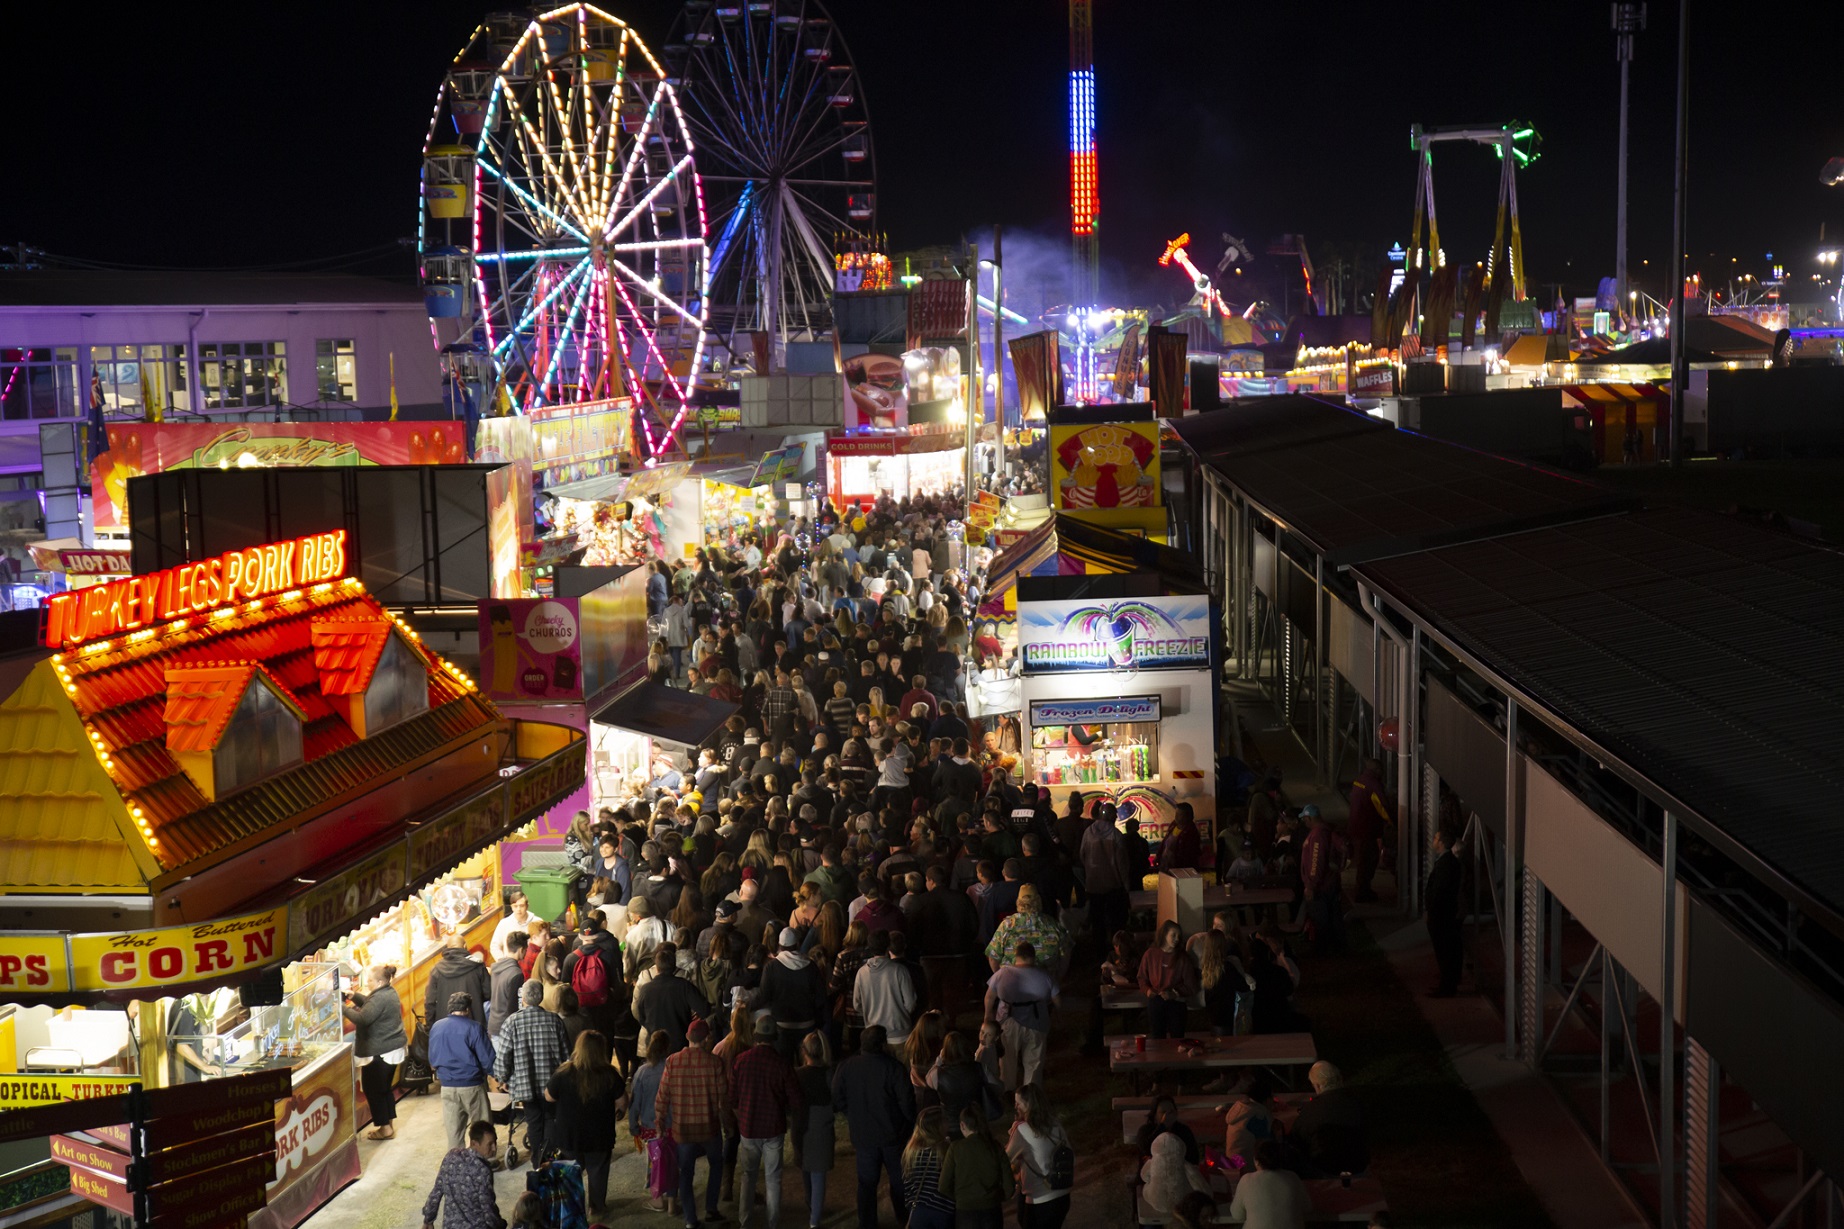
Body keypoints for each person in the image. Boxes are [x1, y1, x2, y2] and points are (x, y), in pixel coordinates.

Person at [833, 1024, 916, 1229]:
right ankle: (903, 1218)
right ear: (882, 1044)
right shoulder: (894, 1068)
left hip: (864, 1136)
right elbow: (907, 1102)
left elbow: (837, 1096)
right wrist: (909, 1125)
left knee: (867, 1184)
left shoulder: (847, 1067)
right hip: (892, 1136)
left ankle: (867, 1223)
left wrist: (851, 1113)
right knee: (899, 1181)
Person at [656, 1017, 732, 1229]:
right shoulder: (714, 1063)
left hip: (683, 1130)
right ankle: (711, 1209)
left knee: (686, 1172)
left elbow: (662, 1097)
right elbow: (723, 1099)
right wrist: (729, 1124)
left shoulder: (672, 1061)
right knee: (716, 1164)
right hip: (709, 1127)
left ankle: (690, 1219)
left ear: (687, 1037)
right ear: (707, 1039)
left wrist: (660, 1123)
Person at [733, 1015, 803, 1229]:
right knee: (773, 1179)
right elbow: (796, 1099)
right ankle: (773, 1223)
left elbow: (732, 1097)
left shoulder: (741, 1060)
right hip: (773, 1128)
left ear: (756, 1036)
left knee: (748, 1176)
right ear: (774, 1037)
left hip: (748, 1127)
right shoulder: (781, 1063)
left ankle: (745, 1221)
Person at [544, 1030, 623, 1217]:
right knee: (598, 1172)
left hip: (569, 1134)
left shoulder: (564, 1072)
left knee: (571, 1172)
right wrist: (617, 1113)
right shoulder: (610, 1074)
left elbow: (548, 1096)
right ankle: (596, 1207)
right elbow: (622, 1101)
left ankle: (573, 1208)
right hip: (600, 1135)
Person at [493, 979, 570, 1166]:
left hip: (525, 1085)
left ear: (524, 998)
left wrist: (501, 1078)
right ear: (541, 997)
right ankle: (549, 1158)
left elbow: (503, 1056)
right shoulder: (555, 1021)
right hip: (552, 1085)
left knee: (533, 1121)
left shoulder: (512, 1022)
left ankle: (537, 1160)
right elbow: (566, 1056)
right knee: (550, 1119)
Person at [982, 941, 1058, 1093]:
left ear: (1016, 956)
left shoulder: (1002, 974)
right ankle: (1030, 1095)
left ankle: (1007, 1091)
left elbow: (989, 997)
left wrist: (987, 1016)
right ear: (1033, 957)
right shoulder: (1044, 975)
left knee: (1007, 1059)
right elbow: (1057, 1000)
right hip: (1036, 1021)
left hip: (1008, 1022)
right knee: (1034, 1062)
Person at [428, 992, 499, 1151]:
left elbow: (432, 1058)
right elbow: (487, 1059)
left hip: (447, 1087)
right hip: (471, 1085)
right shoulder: (474, 1028)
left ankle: (457, 1161)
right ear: (467, 1009)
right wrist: (499, 1076)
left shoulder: (436, 1027)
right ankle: (484, 1159)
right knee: (482, 1129)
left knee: (454, 1132)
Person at [344, 964, 407, 1141]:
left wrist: (342, 1007)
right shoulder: (388, 992)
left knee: (373, 1090)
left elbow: (363, 1018)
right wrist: (354, 997)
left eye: (370, 980)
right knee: (384, 1089)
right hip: (392, 1049)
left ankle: (384, 1129)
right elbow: (371, 1006)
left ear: (379, 982)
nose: (367, 983)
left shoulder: (379, 997)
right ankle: (388, 1125)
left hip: (381, 1051)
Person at [1006, 1084, 1072, 1229]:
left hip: (1041, 1200)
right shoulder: (1056, 1124)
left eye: (1018, 1103)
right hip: (1062, 1195)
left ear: (1028, 1105)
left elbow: (1005, 1159)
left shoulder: (1022, 1130)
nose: (1015, 1107)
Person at [940, 1106, 1014, 1229]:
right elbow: (1009, 1186)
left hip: (965, 1213)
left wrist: (961, 1198)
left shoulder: (955, 1148)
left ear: (962, 1125)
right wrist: (996, 1198)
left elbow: (943, 1186)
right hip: (991, 1211)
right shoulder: (995, 1147)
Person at [421, 1119, 503, 1229]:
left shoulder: (451, 1157)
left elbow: (436, 1191)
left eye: (495, 1142)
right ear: (474, 1143)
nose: (494, 1148)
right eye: (490, 1144)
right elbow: (488, 1208)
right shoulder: (483, 1169)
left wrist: (428, 1219)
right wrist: (500, 1224)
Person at [1291, 1061, 1368, 1177]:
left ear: (1317, 1085)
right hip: (1357, 1166)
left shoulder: (1311, 1110)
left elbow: (1297, 1139)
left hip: (1323, 1169)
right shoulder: (1356, 1103)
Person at [628, 1032, 674, 1215]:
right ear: (667, 1048)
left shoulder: (642, 1072)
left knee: (654, 1163)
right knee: (672, 1161)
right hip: (672, 1125)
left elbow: (635, 1103)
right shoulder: (673, 1068)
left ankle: (658, 1200)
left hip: (650, 1126)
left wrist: (633, 1126)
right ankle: (672, 1199)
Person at [634, 944, 709, 1054]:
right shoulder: (684, 986)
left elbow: (639, 1015)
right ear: (674, 966)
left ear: (657, 967)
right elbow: (704, 1009)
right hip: (679, 1042)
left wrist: (650, 1027)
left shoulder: (646, 989)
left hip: (654, 1043)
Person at [984, 884, 1071, 978]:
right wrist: (1056, 980)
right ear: (1039, 901)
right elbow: (1066, 956)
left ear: (1018, 902)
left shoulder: (1006, 925)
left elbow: (993, 958)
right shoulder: (1054, 925)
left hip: (1012, 982)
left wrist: (1002, 981)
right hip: (1043, 984)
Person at [853, 929, 919, 1052]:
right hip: (900, 1034)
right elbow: (910, 1003)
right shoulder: (899, 970)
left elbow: (857, 1005)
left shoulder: (861, 973)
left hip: (873, 1036)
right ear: (888, 946)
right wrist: (900, 1014)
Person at [795, 1032, 836, 1229]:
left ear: (804, 1051)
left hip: (803, 1127)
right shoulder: (830, 1074)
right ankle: (814, 1218)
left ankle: (813, 1210)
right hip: (822, 1127)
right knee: (818, 1175)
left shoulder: (798, 1075)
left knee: (807, 1170)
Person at [1227, 1140, 1310, 1229]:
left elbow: (1237, 1215)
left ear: (1256, 1161)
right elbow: (1307, 1207)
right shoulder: (1293, 1177)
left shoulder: (1247, 1180)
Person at [1137, 922, 1196, 1041]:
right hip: (1156, 1001)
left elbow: (1191, 985)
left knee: (1177, 1039)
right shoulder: (1150, 954)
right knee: (1157, 1039)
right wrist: (1147, 990)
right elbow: (1141, 977)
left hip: (1176, 1003)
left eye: (1178, 936)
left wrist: (1174, 993)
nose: (1176, 939)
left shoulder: (1182, 958)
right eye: (1173, 935)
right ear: (1164, 935)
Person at [1137, 1131, 1209, 1228]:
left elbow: (1144, 1176)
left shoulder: (1152, 1162)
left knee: (1147, 1189)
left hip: (1156, 1200)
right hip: (1180, 1201)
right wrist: (1207, 1194)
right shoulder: (1184, 1163)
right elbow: (1197, 1181)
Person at [902, 1105, 958, 1229]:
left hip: (917, 1211)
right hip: (942, 1209)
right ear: (938, 1127)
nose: (948, 1123)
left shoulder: (911, 1151)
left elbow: (907, 1183)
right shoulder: (946, 1150)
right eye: (945, 1121)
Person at [1297, 805, 1344, 953]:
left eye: (1305, 819)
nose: (1305, 822)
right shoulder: (1325, 831)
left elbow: (1316, 862)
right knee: (1333, 917)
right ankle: (1336, 947)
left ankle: (1323, 949)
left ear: (1309, 818)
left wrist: (1310, 885)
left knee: (1321, 919)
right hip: (1328, 882)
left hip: (1321, 886)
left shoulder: (1317, 835)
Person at [1425, 824, 1465, 997]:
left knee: (1445, 951)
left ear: (1441, 843)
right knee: (1447, 950)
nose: (1433, 841)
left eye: (1435, 838)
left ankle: (1447, 986)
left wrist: (1431, 911)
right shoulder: (1448, 862)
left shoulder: (1446, 864)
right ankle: (1447, 983)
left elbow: (1439, 891)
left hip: (1441, 915)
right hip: (1444, 913)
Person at [1346, 758, 1392, 904]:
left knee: (1362, 860)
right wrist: (1393, 822)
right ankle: (1362, 891)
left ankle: (1362, 889)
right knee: (1368, 860)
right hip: (1367, 830)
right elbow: (1382, 806)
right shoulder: (1373, 784)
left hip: (1356, 828)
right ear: (1377, 770)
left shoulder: (1359, 780)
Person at [426, 931, 493, 1027]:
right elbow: (488, 993)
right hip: (473, 1024)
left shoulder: (436, 970)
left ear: (448, 948)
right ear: (465, 946)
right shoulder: (478, 966)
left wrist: (430, 1027)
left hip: (445, 1026)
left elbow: (430, 1002)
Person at [1221, 1075, 1277, 1162]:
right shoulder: (1258, 1116)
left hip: (1234, 1160)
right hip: (1247, 1164)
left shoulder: (1243, 1110)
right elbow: (1265, 1145)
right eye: (1272, 1097)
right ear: (1266, 1099)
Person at [488, 931, 528, 1049]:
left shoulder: (495, 967)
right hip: (507, 1029)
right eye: (525, 950)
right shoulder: (516, 974)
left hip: (493, 1025)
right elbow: (514, 1007)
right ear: (521, 950)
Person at [1134, 1096, 1200, 1164]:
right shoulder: (1145, 1130)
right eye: (1163, 1112)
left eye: (1171, 1111)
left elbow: (1193, 1157)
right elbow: (1146, 1148)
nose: (1168, 1115)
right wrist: (1163, 1126)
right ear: (1154, 1115)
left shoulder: (1184, 1131)